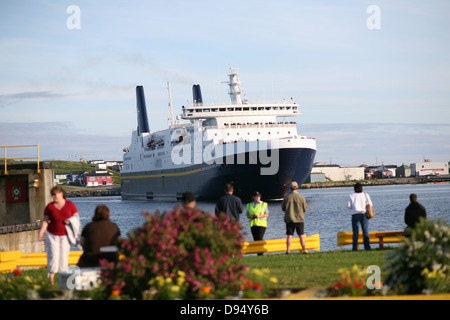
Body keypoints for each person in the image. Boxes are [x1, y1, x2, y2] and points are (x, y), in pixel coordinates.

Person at [38, 186, 79, 285]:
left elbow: (76, 217)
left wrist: (70, 221)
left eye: (55, 194)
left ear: (61, 194)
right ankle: (51, 279)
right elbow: (45, 221)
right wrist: (41, 233)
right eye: (52, 195)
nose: (54, 196)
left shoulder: (70, 204)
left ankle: (63, 280)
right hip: (52, 235)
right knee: (53, 256)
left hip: (65, 235)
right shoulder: (50, 207)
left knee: (63, 257)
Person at [281, 181, 308, 254]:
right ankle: (304, 250)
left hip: (289, 219)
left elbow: (283, 208)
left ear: (290, 188)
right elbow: (305, 208)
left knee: (289, 235)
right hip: (299, 219)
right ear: (297, 187)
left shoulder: (286, 197)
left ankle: (288, 250)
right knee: (301, 235)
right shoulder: (301, 197)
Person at [347, 182, 372, 251]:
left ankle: (354, 248)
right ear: (362, 188)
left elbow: (348, 206)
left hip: (355, 214)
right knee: (365, 231)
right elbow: (370, 204)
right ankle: (367, 247)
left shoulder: (351, 195)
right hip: (364, 214)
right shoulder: (365, 195)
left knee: (355, 232)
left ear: (354, 189)